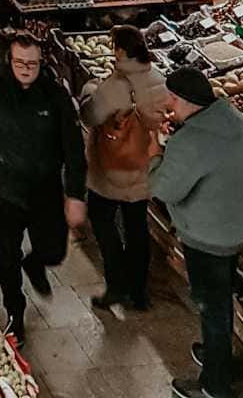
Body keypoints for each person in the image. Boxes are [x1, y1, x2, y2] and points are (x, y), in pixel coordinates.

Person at [0, 32, 87, 345]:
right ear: (9, 61)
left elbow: (73, 150)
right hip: (5, 190)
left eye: (32, 63)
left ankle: (37, 261)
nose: (26, 68)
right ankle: (15, 312)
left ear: (41, 64)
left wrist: (75, 194)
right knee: (7, 255)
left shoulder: (56, 98)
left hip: (45, 191)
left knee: (55, 248)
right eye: (20, 62)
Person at [149, 66, 243, 398]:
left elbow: (164, 189)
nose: (168, 104)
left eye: (171, 98)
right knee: (221, 300)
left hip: (208, 238)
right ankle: (217, 355)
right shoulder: (232, 118)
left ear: (183, 100)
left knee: (212, 307)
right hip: (236, 229)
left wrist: (155, 154)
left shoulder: (192, 140)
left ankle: (214, 385)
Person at [80, 24, 168, 314]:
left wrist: (89, 90)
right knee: (137, 228)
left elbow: (90, 114)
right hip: (143, 167)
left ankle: (117, 285)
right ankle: (140, 293)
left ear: (120, 50)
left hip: (112, 170)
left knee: (102, 221)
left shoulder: (116, 85)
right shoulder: (158, 77)